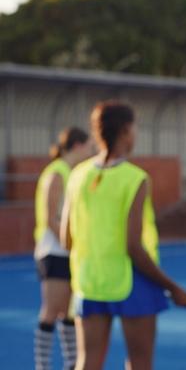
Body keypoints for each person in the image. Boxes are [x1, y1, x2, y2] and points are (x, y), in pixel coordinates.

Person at [60, 101, 186, 370]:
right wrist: (172, 287)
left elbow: (66, 239)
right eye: (135, 127)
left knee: (87, 362)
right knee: (140, 363)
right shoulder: (135, 178)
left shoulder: (77, 175)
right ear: (125, 131)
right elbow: (133, 246)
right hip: (133, 282)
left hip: (90, 282)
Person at [34, 127, 93, 370]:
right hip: (54, 250)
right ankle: (42, 365)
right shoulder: (57, 173)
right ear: (78, 146)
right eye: (89, 147)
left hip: (69, 251)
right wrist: (71, 241)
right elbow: (51, 217)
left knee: (70, 311)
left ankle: (71, 362)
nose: (91, 152)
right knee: (51, 310)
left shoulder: (74, 172)